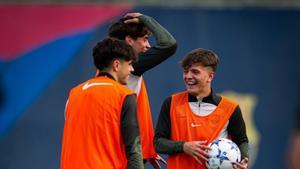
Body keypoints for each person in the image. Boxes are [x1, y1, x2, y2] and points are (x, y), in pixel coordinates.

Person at [154, 48, 249, 169]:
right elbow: (158, 143)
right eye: (185, 71)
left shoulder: (230, 108)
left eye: (195, 72)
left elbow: (242, 141)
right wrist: (184, 146)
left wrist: (244, 160)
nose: (188, 76)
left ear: (210, 77)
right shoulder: (171, 103)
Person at [105, 12, 177, 168]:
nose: (148, 46)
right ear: (129, 41)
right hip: (124, 156)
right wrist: (146, 19)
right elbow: (169, 44)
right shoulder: (131, 68)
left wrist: (147, 149)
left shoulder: (108, 70)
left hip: (121, 153)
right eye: (144, 40)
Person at [60, 38, 144, 169]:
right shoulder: (124, 95)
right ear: (116, 65)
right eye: (129, 64)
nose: (132, 69)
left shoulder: (74, 93)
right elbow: (134, 150)